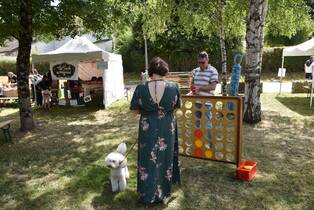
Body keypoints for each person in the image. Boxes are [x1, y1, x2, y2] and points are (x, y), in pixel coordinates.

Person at [130, 57, 181, 205]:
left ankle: (147, 194)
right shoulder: (174, 86)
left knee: (147, 159)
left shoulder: (141, 88)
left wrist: (148, 111)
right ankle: (163, 192)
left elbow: (134, 110)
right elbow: (177, 106)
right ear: (164, 70)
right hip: (167, 126)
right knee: (165, 157)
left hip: (148, 125)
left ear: (151, 72)